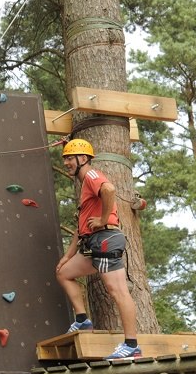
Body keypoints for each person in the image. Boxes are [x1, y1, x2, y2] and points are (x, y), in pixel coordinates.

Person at [55, 138, 140, 359]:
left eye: (69, 158)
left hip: (105, 238)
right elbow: (80, 229)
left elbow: (109, 189)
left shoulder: (91, 175)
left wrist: (103, 220)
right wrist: (67, 256)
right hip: (93, 242)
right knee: (64, 273)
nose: (66, 163)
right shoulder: (85, 186)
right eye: (64, 159)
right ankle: (83, 321)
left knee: (117, 290)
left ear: (83, 159)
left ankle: (131, 345)